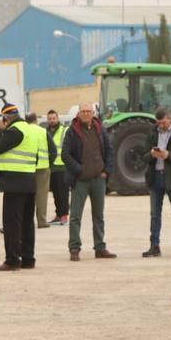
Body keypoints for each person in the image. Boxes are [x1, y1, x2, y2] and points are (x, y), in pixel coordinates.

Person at [61, 102, 117, 262]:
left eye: (88, 111)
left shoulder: (100, 129)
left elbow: (109, 150)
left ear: (93, 113)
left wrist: (107, 171)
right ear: (78, 114)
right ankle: (74, 248)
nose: (86, 114)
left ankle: (100, 247)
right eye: (83, 111)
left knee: (98, 216)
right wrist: (78, 170)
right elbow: (65, 155)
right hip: (80, 181)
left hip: (98, 179)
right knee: (75, 216)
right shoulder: (72, 131)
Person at [0, 104, 42, 270]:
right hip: (29, 181)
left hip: (14, 183)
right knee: (27, 222)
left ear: (6, 118)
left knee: (12, 224)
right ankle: (28, 258)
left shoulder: (14, 131)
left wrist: (0, 131)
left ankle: (12, 260)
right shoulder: (29, 130)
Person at [143, 107, 171, 258]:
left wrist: (168, 155)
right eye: (159, 123)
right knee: (155, 214)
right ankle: (154, 246)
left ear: (170, 119)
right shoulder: (152, 133)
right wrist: (151, 154)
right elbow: (143, 156)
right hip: (155, 177)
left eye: (163, 122)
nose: (161, 125)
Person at [27, 111, 56, 229]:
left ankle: (28, 221)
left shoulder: (24, 131)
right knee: (41, 196)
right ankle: (41, 221)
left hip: (27, 168)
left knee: (28, 195)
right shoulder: (43, 132)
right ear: (36, 120)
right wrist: (49, 163)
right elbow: (53, 151)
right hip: (43, 168)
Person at [46, 109, 70, 225]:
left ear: (57, 118)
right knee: (55, 193)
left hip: (62, 167)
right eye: (50, 119)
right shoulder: (45, 132)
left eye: (53, 118)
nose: (52, 121)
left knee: (63, 193)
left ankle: (64, 215)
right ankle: (58, 214)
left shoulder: (64, 130)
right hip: (51, 167)